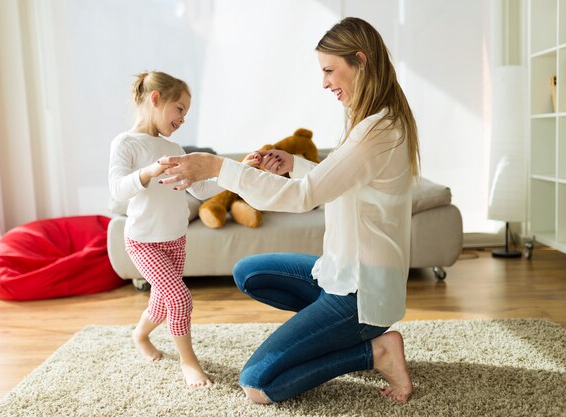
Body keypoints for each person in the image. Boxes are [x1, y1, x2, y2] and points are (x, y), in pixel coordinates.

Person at [158, 17, 419, 404]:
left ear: (360, 61)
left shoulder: (377, 131)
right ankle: (332, 330)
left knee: (258, 384)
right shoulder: (372, 122)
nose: (325, 82)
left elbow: (302, 198)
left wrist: (218, 168)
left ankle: (375, 350)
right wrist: (293, 164)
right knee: (250, 272)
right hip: (342, 273)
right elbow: (341, 187)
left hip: (362, 293)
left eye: (330, 70)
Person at [108, 71, 228, 388]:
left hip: (175, 239)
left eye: (185, 113)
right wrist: (149, 171)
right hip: (144, 242)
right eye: (180, 109)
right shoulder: (126, 143)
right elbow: (118, 190)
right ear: (156, 99)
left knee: (163, 303)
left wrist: (237, 177)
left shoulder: (174, 146)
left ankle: (140, 335)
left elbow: (199, 190)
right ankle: (189, 362)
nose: (183, 119)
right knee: (180, 300)